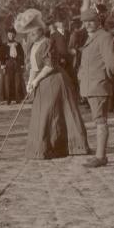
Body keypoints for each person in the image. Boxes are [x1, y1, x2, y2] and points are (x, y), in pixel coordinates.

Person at [17, 9, 89, 159]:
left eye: (34, 32)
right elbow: (33, 66)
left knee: (52, 113)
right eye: (29, 33)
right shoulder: (33, 46)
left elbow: (50, 65)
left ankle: (59, 146)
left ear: (41, 30)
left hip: (54, 80)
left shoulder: (48, 42)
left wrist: (36, 80)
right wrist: (30, 82)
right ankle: (43, 147)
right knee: (43, 112)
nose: (32, 35)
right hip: (42, 82)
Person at [78, 8, 114, 168]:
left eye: (91, 21)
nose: (87, 24)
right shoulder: (93, 38)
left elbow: (113, 63)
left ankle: (101, 156)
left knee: (100, 121)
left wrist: (107, 77)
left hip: (99, 85)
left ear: (98, 21)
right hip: (91, 86)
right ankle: (99, 155)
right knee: (98, 120)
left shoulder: (104, 37)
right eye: (85, 22)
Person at [0, 27, 26, 104]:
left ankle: (18, 98)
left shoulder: (18, 45)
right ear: (7, 35)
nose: (11, 36)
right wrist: (3, 65)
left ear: (15, 35)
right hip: (8, 64)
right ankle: (8, 99)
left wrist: (22, 65)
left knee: (17, 81)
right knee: (8, 82)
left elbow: (22, 54)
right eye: (9, 34)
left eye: (12, 34)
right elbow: (1, 55)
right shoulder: (4, 45)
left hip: (16, 64)